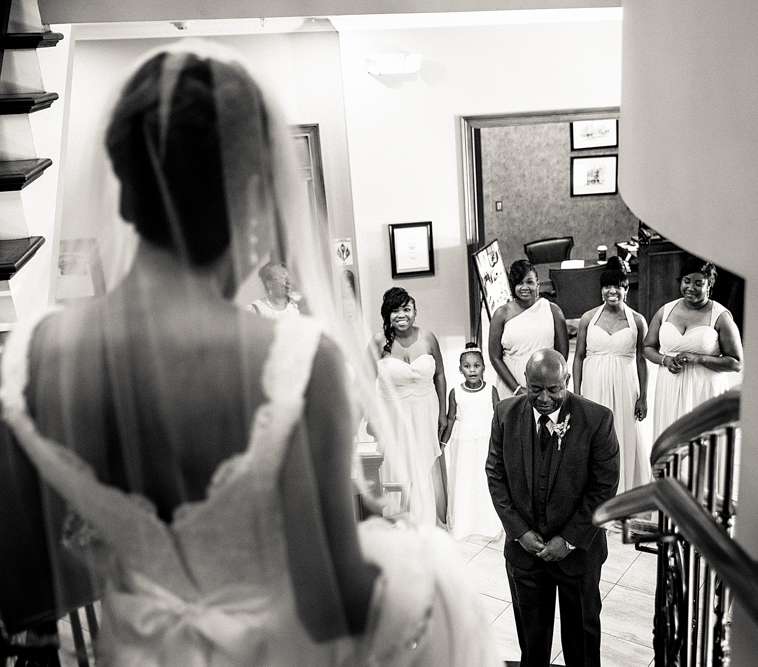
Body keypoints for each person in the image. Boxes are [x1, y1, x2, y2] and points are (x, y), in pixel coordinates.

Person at [0, 42, 501, 666]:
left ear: (125, 191)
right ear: (254, 202)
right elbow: (329, 609)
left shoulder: (32, 355)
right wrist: (413, 561)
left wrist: (133, 551)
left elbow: (24, 589)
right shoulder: (293, 363)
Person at [486, 349, 619, 667]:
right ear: (525, 382)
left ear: (567, 381)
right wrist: (518, 532)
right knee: (532, 642)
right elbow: (496, 475)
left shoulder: (597, 419)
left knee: (582, 640)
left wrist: (569, 539)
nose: (544, 398)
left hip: (579, 553)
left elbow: (603, 488)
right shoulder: (505, 413)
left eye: (553, 389)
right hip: (524, 553)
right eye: (535, 389)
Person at [367, 287, 448, 528]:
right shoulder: (378, 342)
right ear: (387, 315)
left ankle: (425, 524)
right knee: (397, 467)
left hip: (425, 411)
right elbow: (365, 380)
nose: (401, 315)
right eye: (395, 310)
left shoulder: (428, 338)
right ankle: (400, 523)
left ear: (415, 312)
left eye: (406, 309)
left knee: (424, 468)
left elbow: (440, 375)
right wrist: (371, 416)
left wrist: (442, 412)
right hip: (394, 416)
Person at [643, 257, 744, 438]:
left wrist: (700, 358)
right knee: (670, 440)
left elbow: (736, 363)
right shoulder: (665, 311)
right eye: (686, 281)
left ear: (709, 285)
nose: (691, 288)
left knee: (699, 441)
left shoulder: (721, 316)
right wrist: (665, 360)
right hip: (670, 386)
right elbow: (648, 347)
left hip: (704, 388)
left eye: (699, 283)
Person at [572, 266, 650, 493]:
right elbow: (578, 357)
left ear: (626, 290)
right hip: (594, 385)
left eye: (618, 286)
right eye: (607, 286)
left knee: (623, 433)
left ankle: (624, 489)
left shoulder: (637, 320)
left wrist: (643, 397)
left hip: (625, 387)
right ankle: (595, 491)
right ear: (601, 290)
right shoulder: (588, 318)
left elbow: (641, 360)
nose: (612, 291)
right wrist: (577, 393)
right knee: (595, 436)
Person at [440, 343, 502, 540]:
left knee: (484, 481)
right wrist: (441, 444)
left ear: (484, 367)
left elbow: (498, 419)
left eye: (476, 365)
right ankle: (465, 524)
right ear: (460, 370)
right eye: (467, 366)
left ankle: (487, 524)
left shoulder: (491, 390)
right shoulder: (455, 392)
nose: (472, 370)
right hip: (463, 443)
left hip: (485, 442)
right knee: (465, 481)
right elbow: (450, 420)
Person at [489, 259, 569, 400]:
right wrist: (517, 389)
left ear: (537, 284)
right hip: (510, 386)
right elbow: (495, 357)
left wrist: (549, 385)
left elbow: (562, 355)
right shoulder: (501, 314)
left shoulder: (553, 311)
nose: (525, 287)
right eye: (520, 283)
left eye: (529, 282)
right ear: (512, 285)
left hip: (546, 387)